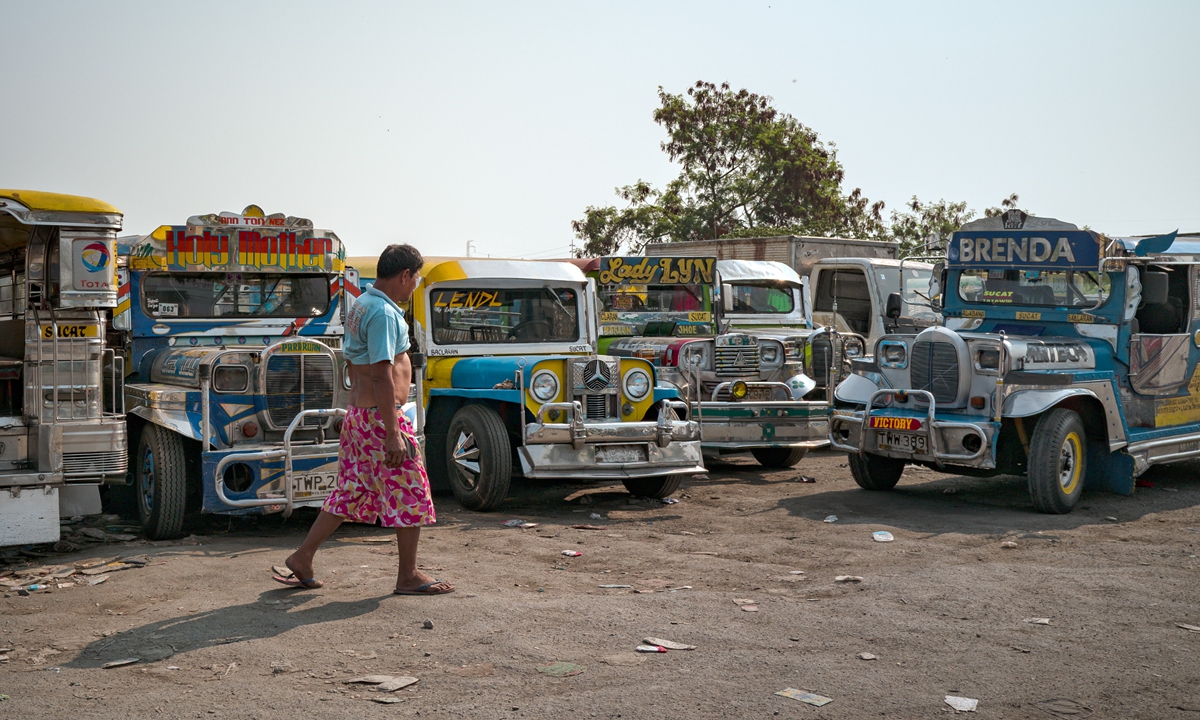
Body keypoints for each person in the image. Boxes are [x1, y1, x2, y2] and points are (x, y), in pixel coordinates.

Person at [274, 244, 453, 596]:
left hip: (360, 416)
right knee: (412, 493)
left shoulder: (363, 304)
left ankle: (303, 556)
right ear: (405, 276)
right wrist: (392, 433)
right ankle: (408, 575)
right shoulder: (385, 315)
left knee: (350, 491)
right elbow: (382, 375)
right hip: (379, 420)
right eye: (415, 277)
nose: (415, 284)